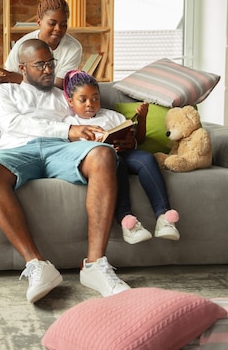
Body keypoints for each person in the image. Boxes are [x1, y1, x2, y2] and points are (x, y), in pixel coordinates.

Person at [0, 38, 130, 304]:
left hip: (63, 150)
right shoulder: (5, 92)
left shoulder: (65, 95)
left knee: (104, 155)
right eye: (40, 65)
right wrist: (66, 130)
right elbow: (11, 122)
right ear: (22, 68)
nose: (48, 69)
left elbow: (92, 113)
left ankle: (95, 266)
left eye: (51, 63)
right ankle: (37, 265)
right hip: (20, 150)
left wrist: (121, 137)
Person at [62, 70, 180, 245]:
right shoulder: (70, 124)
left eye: (95, 98)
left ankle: (164, 217)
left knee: (146, 159)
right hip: (102, 162)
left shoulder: (111, 116)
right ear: (71, 101)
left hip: (123, 153)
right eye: (83, 99)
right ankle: (128, 222)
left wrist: (138, 126)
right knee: (116, 165)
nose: (90, 104)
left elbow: (136, 140)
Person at [0, 0, 82, 90]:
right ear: (39, 22)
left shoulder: (73, 48)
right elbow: (9, 79)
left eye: (63, 24)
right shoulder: (23, 45)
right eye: (52, 23)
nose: (58, 29)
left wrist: (21, 79)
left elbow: (59, 88)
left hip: (53, 100)